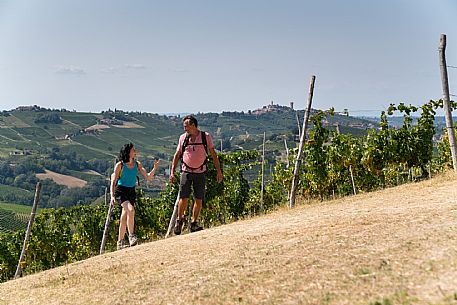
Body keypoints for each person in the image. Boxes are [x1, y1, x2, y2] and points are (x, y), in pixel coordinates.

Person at [169, 115, 223, 235]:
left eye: (186, 126)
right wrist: (172, 172)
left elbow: (214, 155)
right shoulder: (183, 138)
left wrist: (219, 171)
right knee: (184, 198)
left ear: (193, 125)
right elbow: (177, 155)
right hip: (186, 172)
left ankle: (193, 223)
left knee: (199, 199)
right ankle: (179, 221)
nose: (185, 129)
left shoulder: (205, 137)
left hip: (200, 172)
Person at [110, 143, 160, 250]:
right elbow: (113, 181)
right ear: (128, 152)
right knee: (131, 211)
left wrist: (154, 168)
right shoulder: (120, 165)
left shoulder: (137, 164)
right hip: (121, 191)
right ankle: (132, 236)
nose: (135, 151)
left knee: (124, 217)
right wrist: (112, 196)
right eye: (133, 150)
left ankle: (120, 242)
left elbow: (148, 177)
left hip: (131, 191)